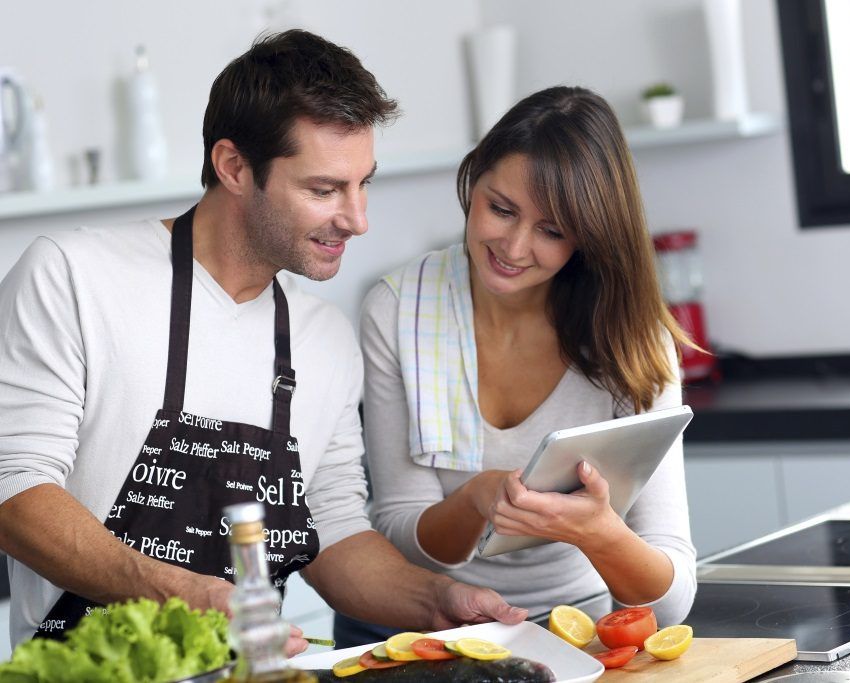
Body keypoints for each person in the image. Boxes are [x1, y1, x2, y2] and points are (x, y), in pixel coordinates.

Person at [0, 29, 527, 653]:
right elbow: (14, 489)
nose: (358, 219)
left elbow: (331, 531)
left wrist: (433, 598)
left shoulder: (323, 339)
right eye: (324, 190)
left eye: (365, 184)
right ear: (233, 167)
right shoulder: (74, 276)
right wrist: (182, 594)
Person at [337, 85, 697, 645]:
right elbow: (400, 529)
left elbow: (670, 603)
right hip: (424, 629)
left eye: (552, 231)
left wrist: (601, 533)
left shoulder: (630, 336)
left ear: (588, 237)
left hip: (574, 630)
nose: (514, 246)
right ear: (472, 181)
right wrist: (479, 497)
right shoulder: (397, 308)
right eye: (500, 209)